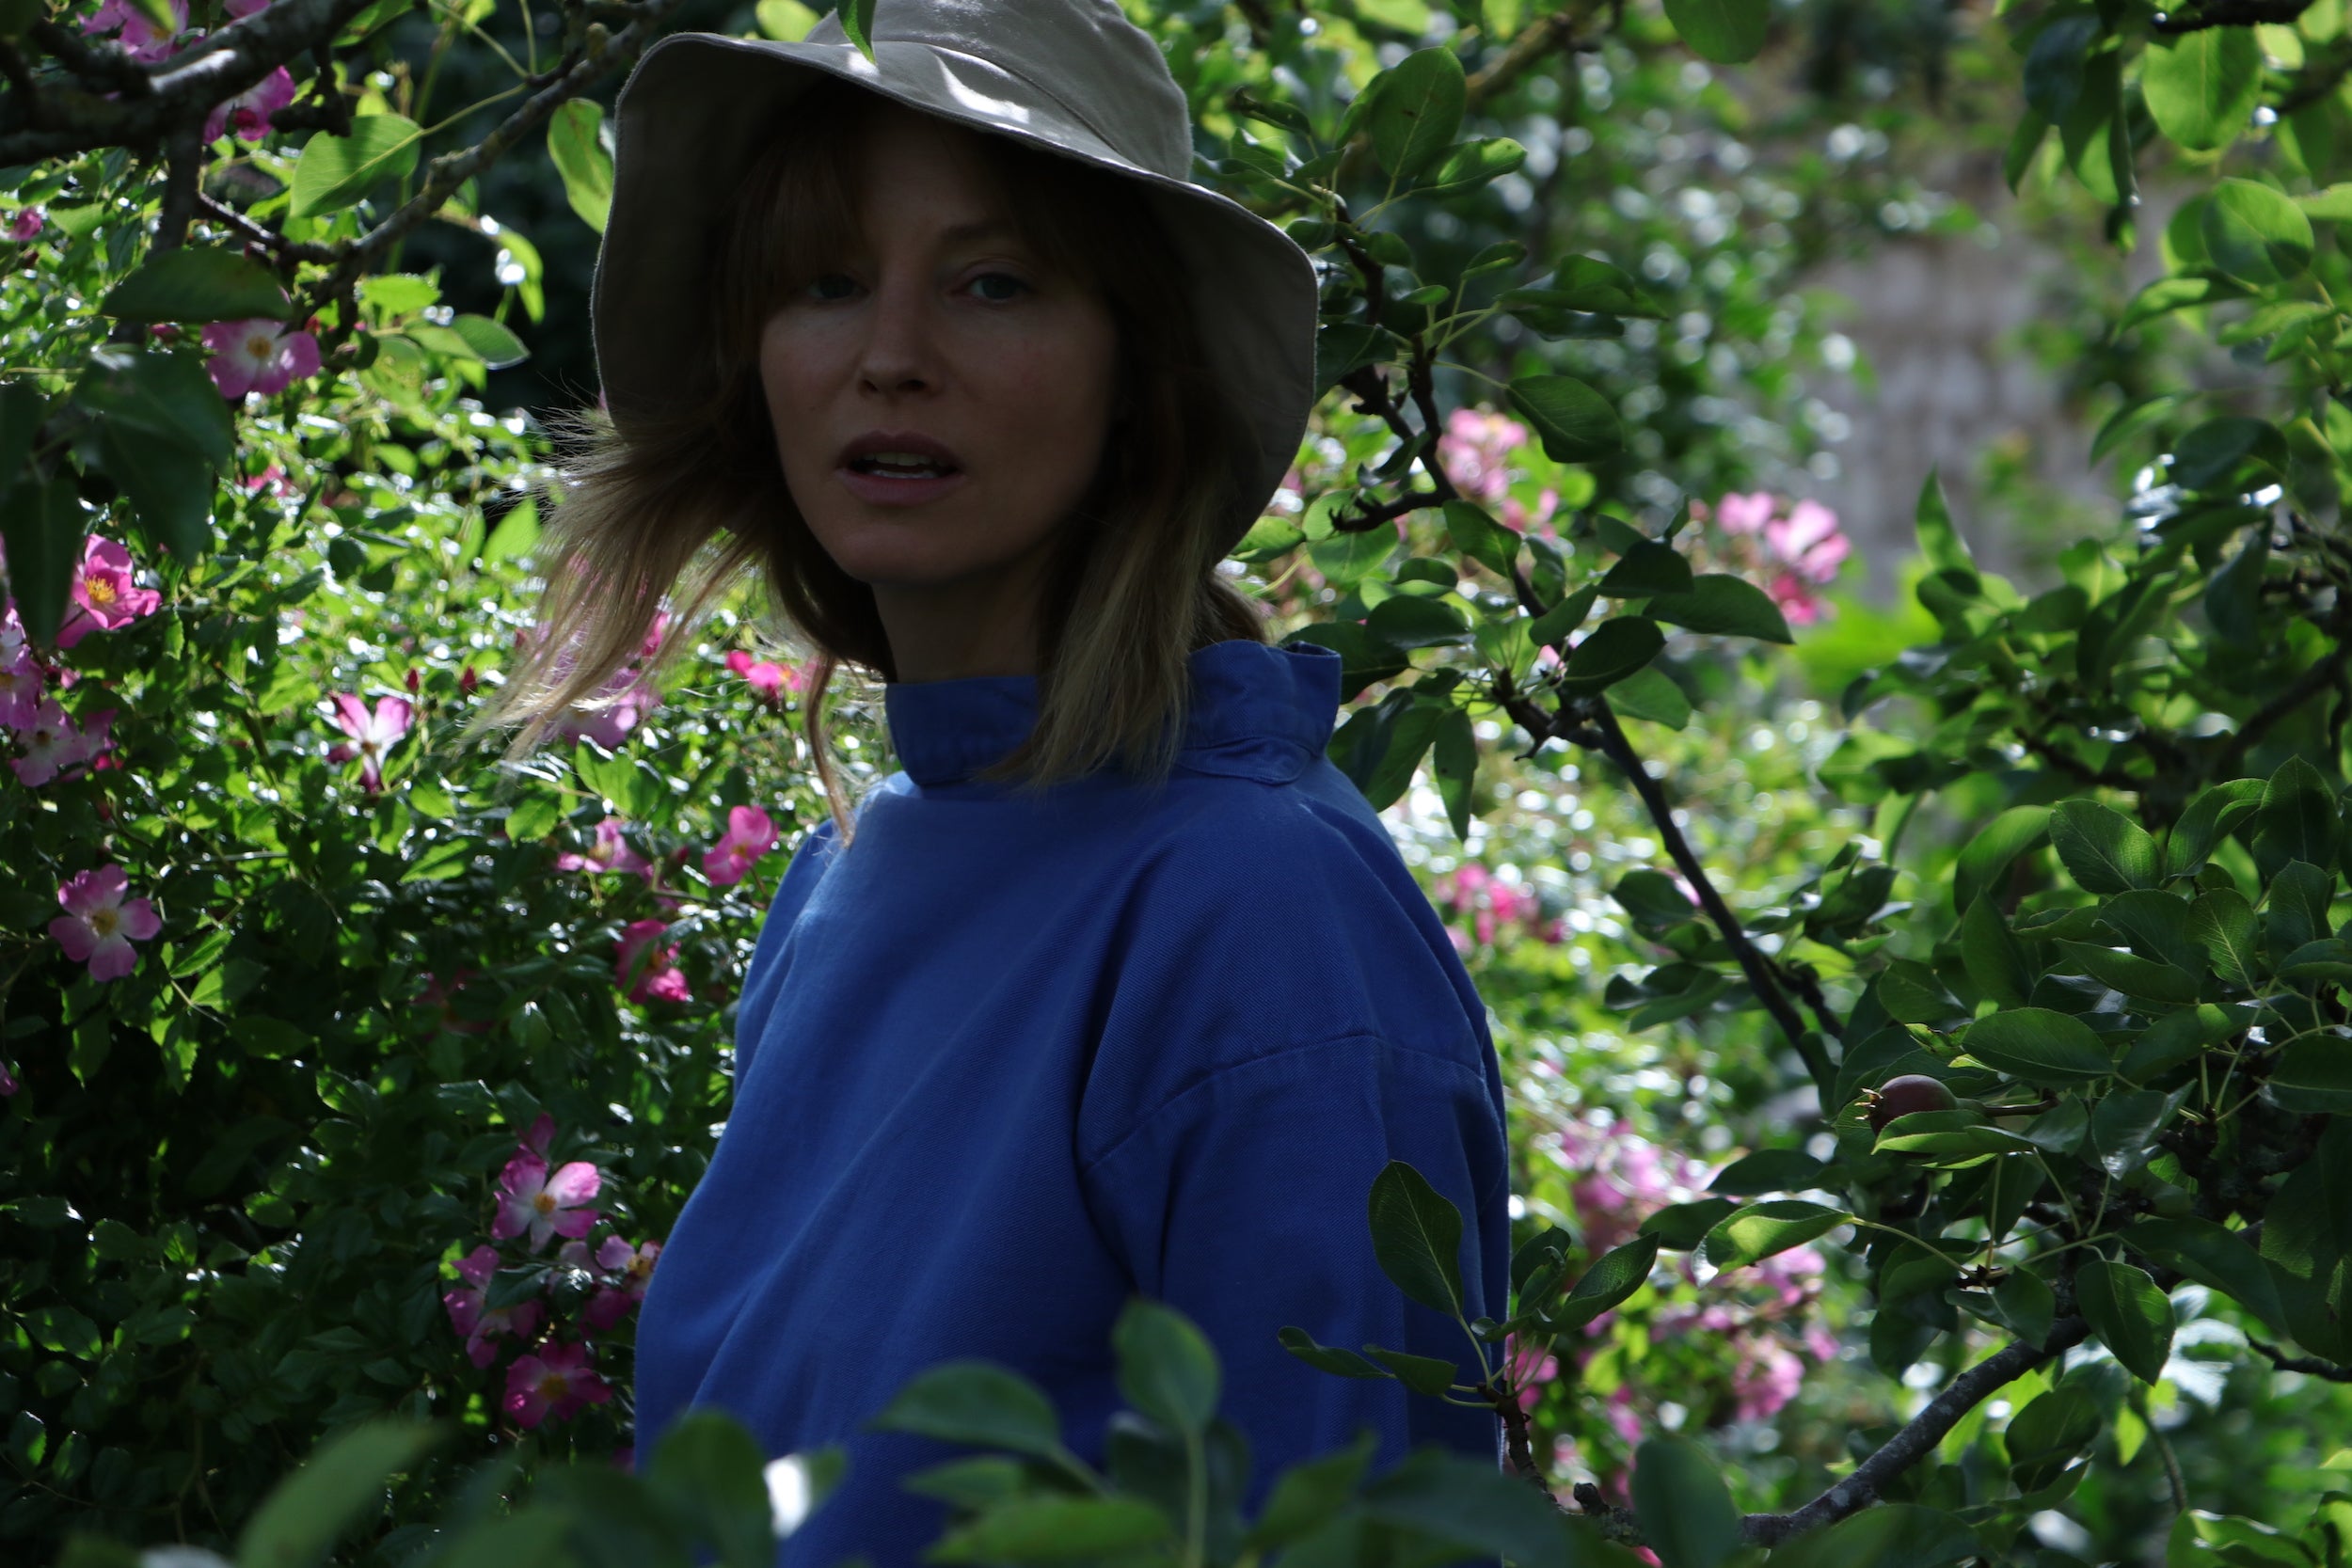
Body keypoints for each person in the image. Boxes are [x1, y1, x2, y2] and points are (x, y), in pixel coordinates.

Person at [475, 1, 1515, 1560]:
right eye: (825, 283)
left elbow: (1338, 1520)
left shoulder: (1259, 915)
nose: (891, 357)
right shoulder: (855, 864)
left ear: (1137, 378)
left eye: (993, 283)